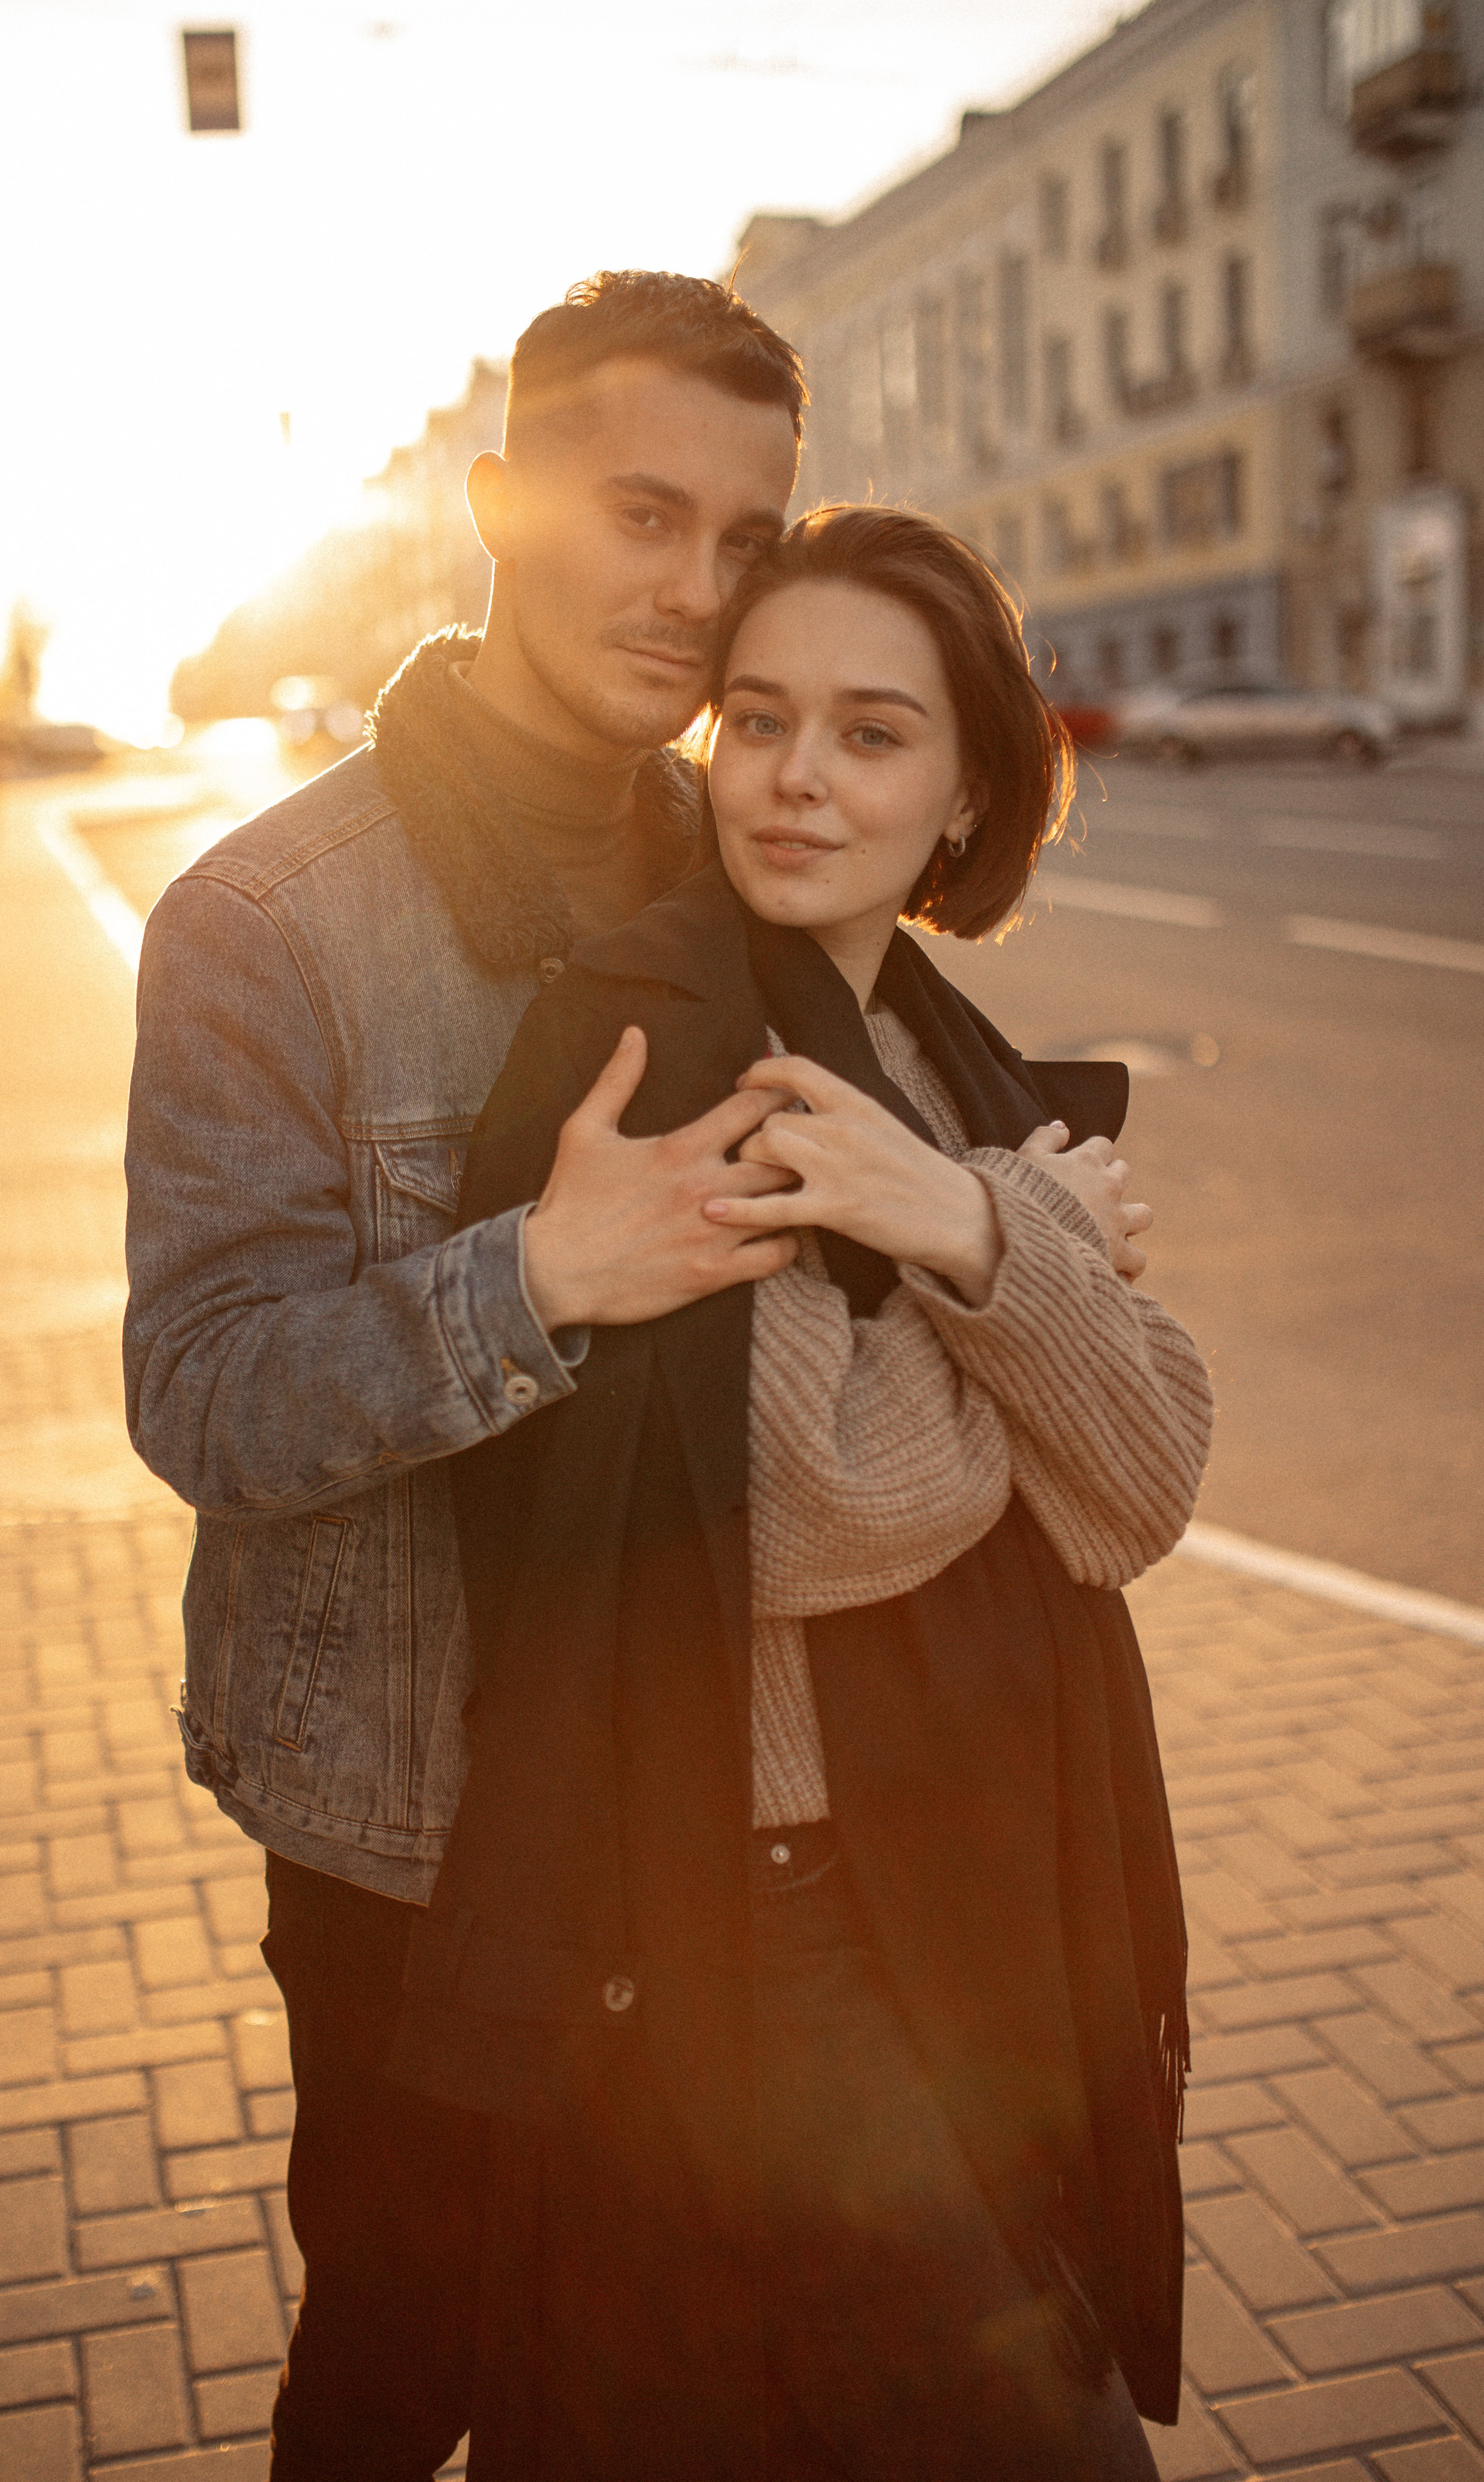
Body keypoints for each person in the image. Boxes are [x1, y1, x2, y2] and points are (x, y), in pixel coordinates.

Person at [396, 506, 1215, 2479]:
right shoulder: (688, 1048)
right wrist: (1021, 1253)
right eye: (758, 721)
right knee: (1028, 2427)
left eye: (868, 733)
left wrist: (947, 1214)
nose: (793, 778)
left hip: (959, 1842)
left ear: (962, 794)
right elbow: (821, 1507)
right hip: (790, 1894)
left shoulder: (931, 1054)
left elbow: (1148, 1475)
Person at [121, 271, 806, 2481]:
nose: (697, 593)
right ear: (500, 501)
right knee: (408, 2365)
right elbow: (206, 1395)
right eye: (640, 513)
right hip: (411, 1820)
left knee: (645, 2378)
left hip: (709, 1778)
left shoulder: (749, 868)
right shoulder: (268, 917)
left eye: (744, 540)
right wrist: (543, 1274)